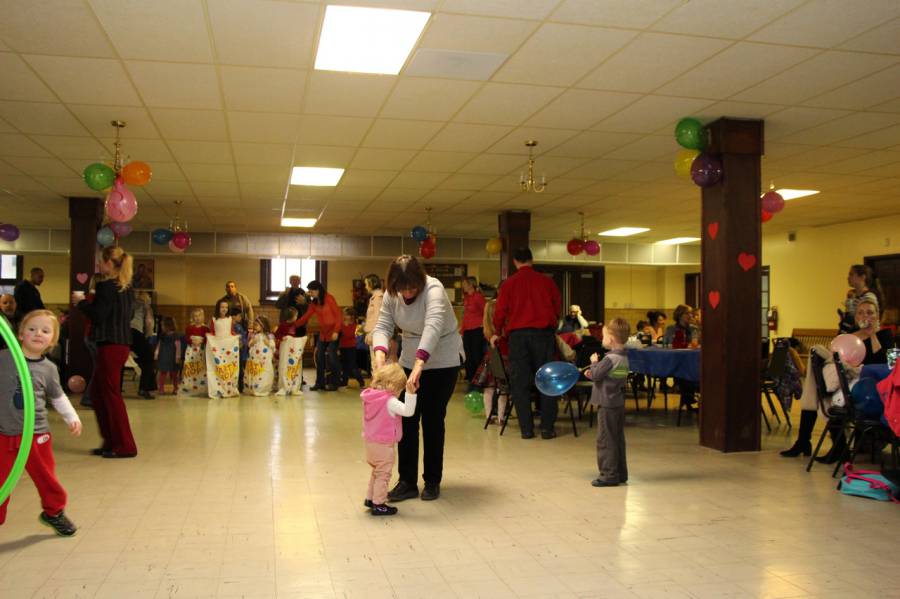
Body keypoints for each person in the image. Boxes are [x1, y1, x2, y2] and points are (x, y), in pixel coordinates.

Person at [372, 255, 463, 502]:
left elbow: (433, 326)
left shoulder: (434, 289)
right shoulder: (392, 294)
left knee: (432, 419)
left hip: (443, 360)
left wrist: (420, 364)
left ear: (420, 280)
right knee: (406, 419)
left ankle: (432, 481)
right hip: (410, 357)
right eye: (402, 288)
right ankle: (407, 482)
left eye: (412, 287)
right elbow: (383, 326)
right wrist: (380, 358)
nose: (407, 292)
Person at [0, 310, 82, 536]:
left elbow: (58, 396)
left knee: (46, 477)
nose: (38, 334)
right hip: (4, 433)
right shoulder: (3, 358)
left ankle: (54, 512)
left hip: (36, 434)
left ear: (52, 340)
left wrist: (71, 417)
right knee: (2, 479)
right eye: (32, 329)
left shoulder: (49, 368)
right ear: (20, 334)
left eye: (45, 331)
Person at [781, 299, 891, 459]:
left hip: (869, 387)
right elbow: (836, 357)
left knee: (822, 395)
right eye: (861, 313)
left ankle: (810, 443)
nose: (865, 316)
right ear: (856, 317)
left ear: (877, 316)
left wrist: (872, 335)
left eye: (870, 313)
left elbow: (885, 364)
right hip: (844, 381)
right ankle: (827, 446)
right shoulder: (848, 336)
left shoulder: (885, 335)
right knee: (821, 389)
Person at [491, 247, 562, 440]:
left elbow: (500, 312)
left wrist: (497, 332)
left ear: (515, 261)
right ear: (532, 259)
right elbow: (557, 306)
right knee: (547, 380)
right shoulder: (547, 281)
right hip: (543, 335)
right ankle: (547, 428)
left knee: (520, 383)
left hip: (518, 338)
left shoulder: (509, 284)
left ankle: (527, 429)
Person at [74, 246, 137, 459]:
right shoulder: (126, 288)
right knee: (99, 394)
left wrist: (81, 303)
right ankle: (111, 442)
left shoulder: (106, 287)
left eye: (100, 261)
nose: (98, 265)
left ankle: (125, 445)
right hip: (120, 344)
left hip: (110, 345)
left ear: (109, 263)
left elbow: (98, 315)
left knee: (110, 395)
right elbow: (126, 316)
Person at [361, 363, 418, 516]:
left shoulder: (370, 397)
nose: (399, 393)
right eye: (400, 389)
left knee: (376, 472)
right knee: (384, 474)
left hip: (370, 442)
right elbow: (408, 411)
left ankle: (370, 498)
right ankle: (379, 504)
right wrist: (410, 394)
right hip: (384, 445)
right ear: (393, 385)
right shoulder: (389, 401)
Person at [583, 317, 630, 487]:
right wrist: (595, 372)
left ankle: (608, 475)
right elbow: (609, 377)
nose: (602, 339)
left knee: (605, 439)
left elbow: (596, 374)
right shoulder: (623, 357)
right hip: (617, 402)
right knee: (617, 438)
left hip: (606, 404)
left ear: (610, 339)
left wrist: (593, 363)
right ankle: (620, 472)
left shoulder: (609, 359)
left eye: (603, 336)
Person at [296, 280, 342, 392]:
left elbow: (338, 316)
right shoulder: (314, 303)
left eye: (311, 292)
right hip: (323, 334)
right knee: (319, 356)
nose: (310, 294)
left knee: (332, 355)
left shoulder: (329, 298)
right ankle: (320, 383)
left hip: (334, 332)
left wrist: (336, 331)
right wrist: (292, 325)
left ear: (318, 290)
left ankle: (335, 383)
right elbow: (306, 317)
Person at [472, 298, 508, 424]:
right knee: (503, 391)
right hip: (505, 362)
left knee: (488, 389)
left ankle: (488, 416)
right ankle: (501, 417)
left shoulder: (487, 330)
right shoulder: (503, 331)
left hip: (490, 361)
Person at [663, 304, 698, 409]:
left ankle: (688, 398)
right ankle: (689, 399)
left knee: (691, 369)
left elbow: (697, 343)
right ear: (679, 315)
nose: (690, 315)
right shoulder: (671, 329)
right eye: (687, 313)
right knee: (685, 370)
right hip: (675, 361)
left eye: (691, 313)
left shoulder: (694, 329)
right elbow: (668, 344)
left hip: (692, 361)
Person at [460, 277, 486, 392]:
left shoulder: (478, 297)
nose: (463, 286)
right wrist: (462, 330)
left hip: (477, 330)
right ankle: (471, 381)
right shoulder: (466, 298)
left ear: (471, 284)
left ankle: (479, 382)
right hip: (467, 331)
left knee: (477, 356)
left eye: (465, 284)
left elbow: (486, 312)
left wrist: (484, 326)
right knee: (468, 357)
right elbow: (465, 315)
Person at [130, 291, 157, 399]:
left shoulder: (132, 303)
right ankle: (145, 389)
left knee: (143, 359)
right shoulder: (145, 305)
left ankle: (143, 388)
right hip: (136, 332)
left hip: (124, 333)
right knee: (149, 358)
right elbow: (149, 323)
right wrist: (147, 335)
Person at [155, 317, 181, 394]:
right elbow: (159, 344)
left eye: (163, 325)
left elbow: (178, 346)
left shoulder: (175, 335)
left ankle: (175, 388)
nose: (162, 327)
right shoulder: (162, 335)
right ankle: (161, 388)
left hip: (172, 357)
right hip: (163, 356)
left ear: (167, 326)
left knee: (174, 374)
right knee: (163, 373)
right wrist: (156, 353)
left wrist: (177, 356)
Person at [339, 308, 365, 388]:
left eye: (346, 315)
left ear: (351, 316)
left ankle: (361, 382)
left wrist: (344, 326)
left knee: (353, 366)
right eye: (344, 314)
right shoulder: (341, 323)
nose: (344, 316)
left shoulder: (354, 324)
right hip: (342, 347)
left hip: (351, 347)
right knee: (345, 366)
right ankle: (344, 382)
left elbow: (348, 335)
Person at [363, 274, 384, 365]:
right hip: (375, 334)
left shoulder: (378, 297)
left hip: (376, 335)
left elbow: (378, 318)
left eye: (366, 284)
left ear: (372, 284)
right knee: (375, 362)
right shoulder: (374, 297)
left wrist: (371, 334)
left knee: (377, 363)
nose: (365, 287)